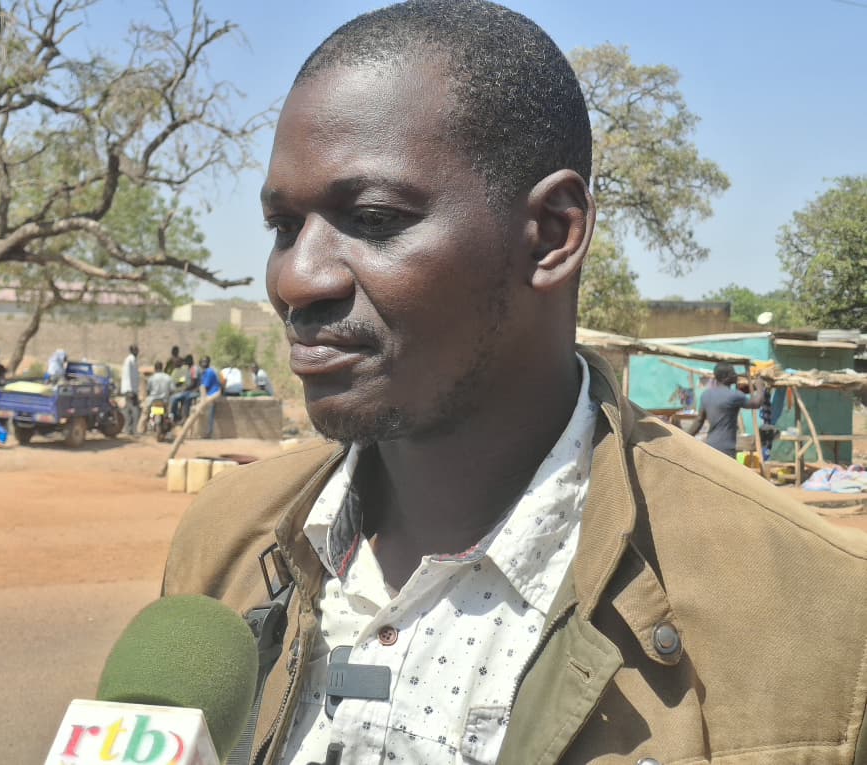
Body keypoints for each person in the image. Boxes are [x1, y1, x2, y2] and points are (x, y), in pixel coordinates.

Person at [162, 3, 867, 765]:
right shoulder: (229, 540)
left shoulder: (821, 620)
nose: (296, 279)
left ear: (553, 234)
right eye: (284, 229)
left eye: (372, 217)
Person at [686, 362, 766, 458]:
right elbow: (757, 403)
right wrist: (760, 387)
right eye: (733, 373)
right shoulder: (734, 395)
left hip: (710, 445)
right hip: (726, 448)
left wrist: (685, 437)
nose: (735, 375)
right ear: (725, 377)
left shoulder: (706, 395)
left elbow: (699, 421)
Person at [141, 361, 174, 431]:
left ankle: (141, 430)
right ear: (162, 368)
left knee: (144, 414)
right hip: (164, 401)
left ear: (155, 368)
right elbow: (172, 390)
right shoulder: (168, 377)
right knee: (169, 414)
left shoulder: (151, 378)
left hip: (152, 400)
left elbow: (148, 390)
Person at [197, 355, 221, 438]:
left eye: (205, 361)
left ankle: (208, 432)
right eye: (202, 362)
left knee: (208, 414)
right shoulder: (204, 373)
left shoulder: (209, 372)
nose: (204, 363)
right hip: (209, 394)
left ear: (208, 363)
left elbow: (205, 387)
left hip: (212, 394)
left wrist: (203, 400)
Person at [120, 344, 140, 435]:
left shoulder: (133, 360)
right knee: (134, 410)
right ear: (132, 351)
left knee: (129, 409)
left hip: (131, 389)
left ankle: (129, 429)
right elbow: (129, 376)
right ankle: (132, 430)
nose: (137, 352)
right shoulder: (130, 360)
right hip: (130, 389)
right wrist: (131, 390)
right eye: (136, 350)